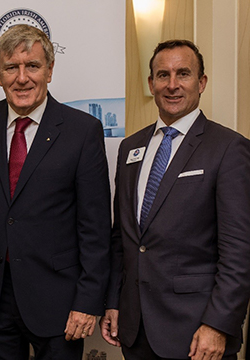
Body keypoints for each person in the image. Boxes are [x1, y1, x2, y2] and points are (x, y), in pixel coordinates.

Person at [0, 24, 111, 359]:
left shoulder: (82, 131)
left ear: (50, 71)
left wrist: (87, 301)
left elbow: (95, 227)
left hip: (59, 301)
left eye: (33, 66)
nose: (21, 78)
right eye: (11, 67)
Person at [100, 39, 250, 360]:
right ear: (151, 84)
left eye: (183, 73)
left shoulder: (228, 148)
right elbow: (122, 238)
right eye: (162, 75)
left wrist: (218, 325)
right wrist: (113, 301)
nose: (172, 85)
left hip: (197, 333)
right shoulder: (130, 148)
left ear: (201, 83)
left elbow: (239, 251)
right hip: (135, 329)